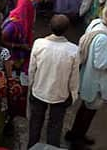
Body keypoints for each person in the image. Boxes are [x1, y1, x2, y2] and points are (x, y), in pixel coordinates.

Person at [67, 5, 107, 148]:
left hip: (88, 74)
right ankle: (78, 140)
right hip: (96, 80)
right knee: (89, 110)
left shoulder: (95, 25)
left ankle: (75, 133)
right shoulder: (104, 38)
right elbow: (100, 63)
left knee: (85, 107)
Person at [28, 14, 81, 149]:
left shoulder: (39, 44)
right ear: (66, 30)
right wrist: (73, 95)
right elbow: (74, 78)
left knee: (35, 125)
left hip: (39, 91)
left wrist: (31, 86)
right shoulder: (73, 50)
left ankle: (32, 147)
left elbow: (32, 69)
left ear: (50, 27)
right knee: (55, 128)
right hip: (60, 94)